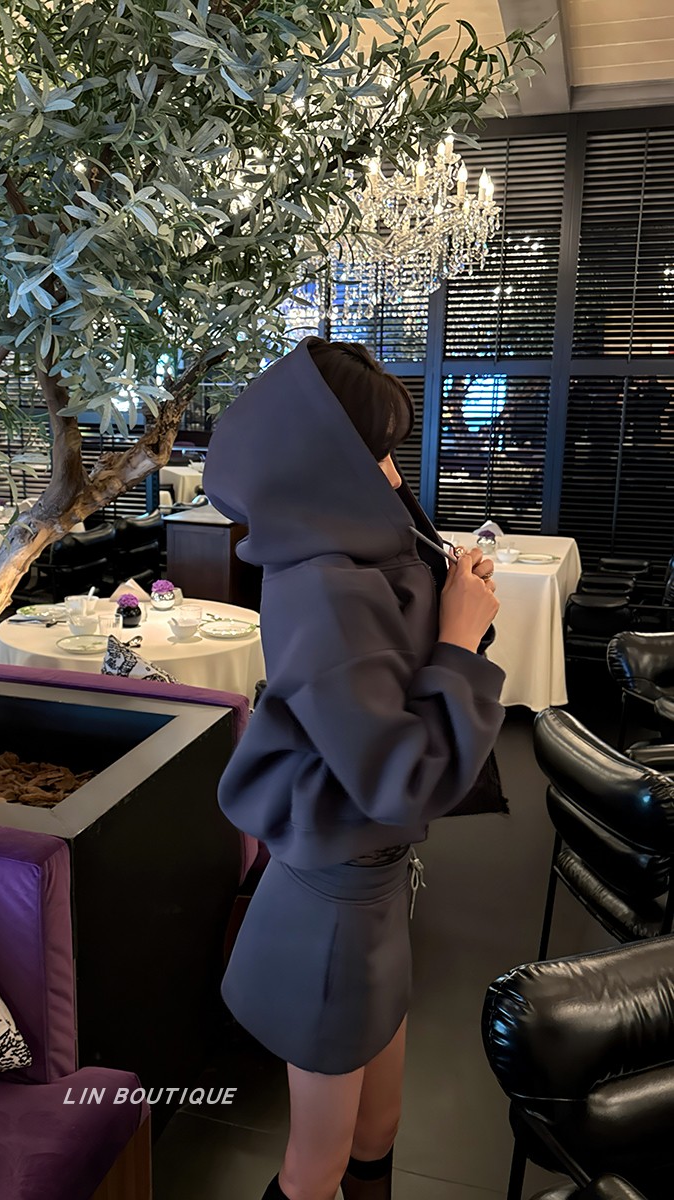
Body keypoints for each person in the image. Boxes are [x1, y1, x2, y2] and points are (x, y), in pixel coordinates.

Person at [201, 337, 505, 1200]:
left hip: (373, 890)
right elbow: (399, 777)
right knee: (318, 1165)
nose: (393, 473)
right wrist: (458, 639)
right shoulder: (326, 583)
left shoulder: (365, 556)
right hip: (333, 908)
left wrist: (456, 611)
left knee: (378, 1130)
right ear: (326, 456)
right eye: (377, 451)